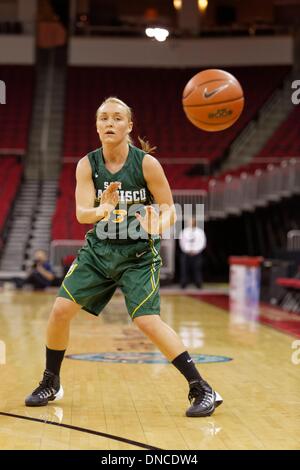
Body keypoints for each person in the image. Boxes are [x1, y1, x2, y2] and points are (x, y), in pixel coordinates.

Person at [25, 97, 222, 417]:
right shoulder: (87, 164)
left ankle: (202, 388)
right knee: (60, 310)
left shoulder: (146, 164)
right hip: (99, 252)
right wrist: (102, 209)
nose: (109, 123)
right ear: (97, 126)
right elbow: (81, 214)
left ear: (129, 126)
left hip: (138, 255)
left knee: (146, 320)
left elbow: (171, 210)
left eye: (117, 118)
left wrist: (156, 222)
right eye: (103, 118)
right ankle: (51, 381)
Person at [179, 217, 206, 289]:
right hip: (186, 253)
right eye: (189, 222)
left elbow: (202, 243)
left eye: (192, 222)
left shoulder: (200, 232)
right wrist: (187, 250)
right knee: (184, 269)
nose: (191, 223)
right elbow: (182, 242)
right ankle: (183, 284)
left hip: (197, 254)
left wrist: (195, 251)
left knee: (197, 269)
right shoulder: (184, 231)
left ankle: (198, 284)